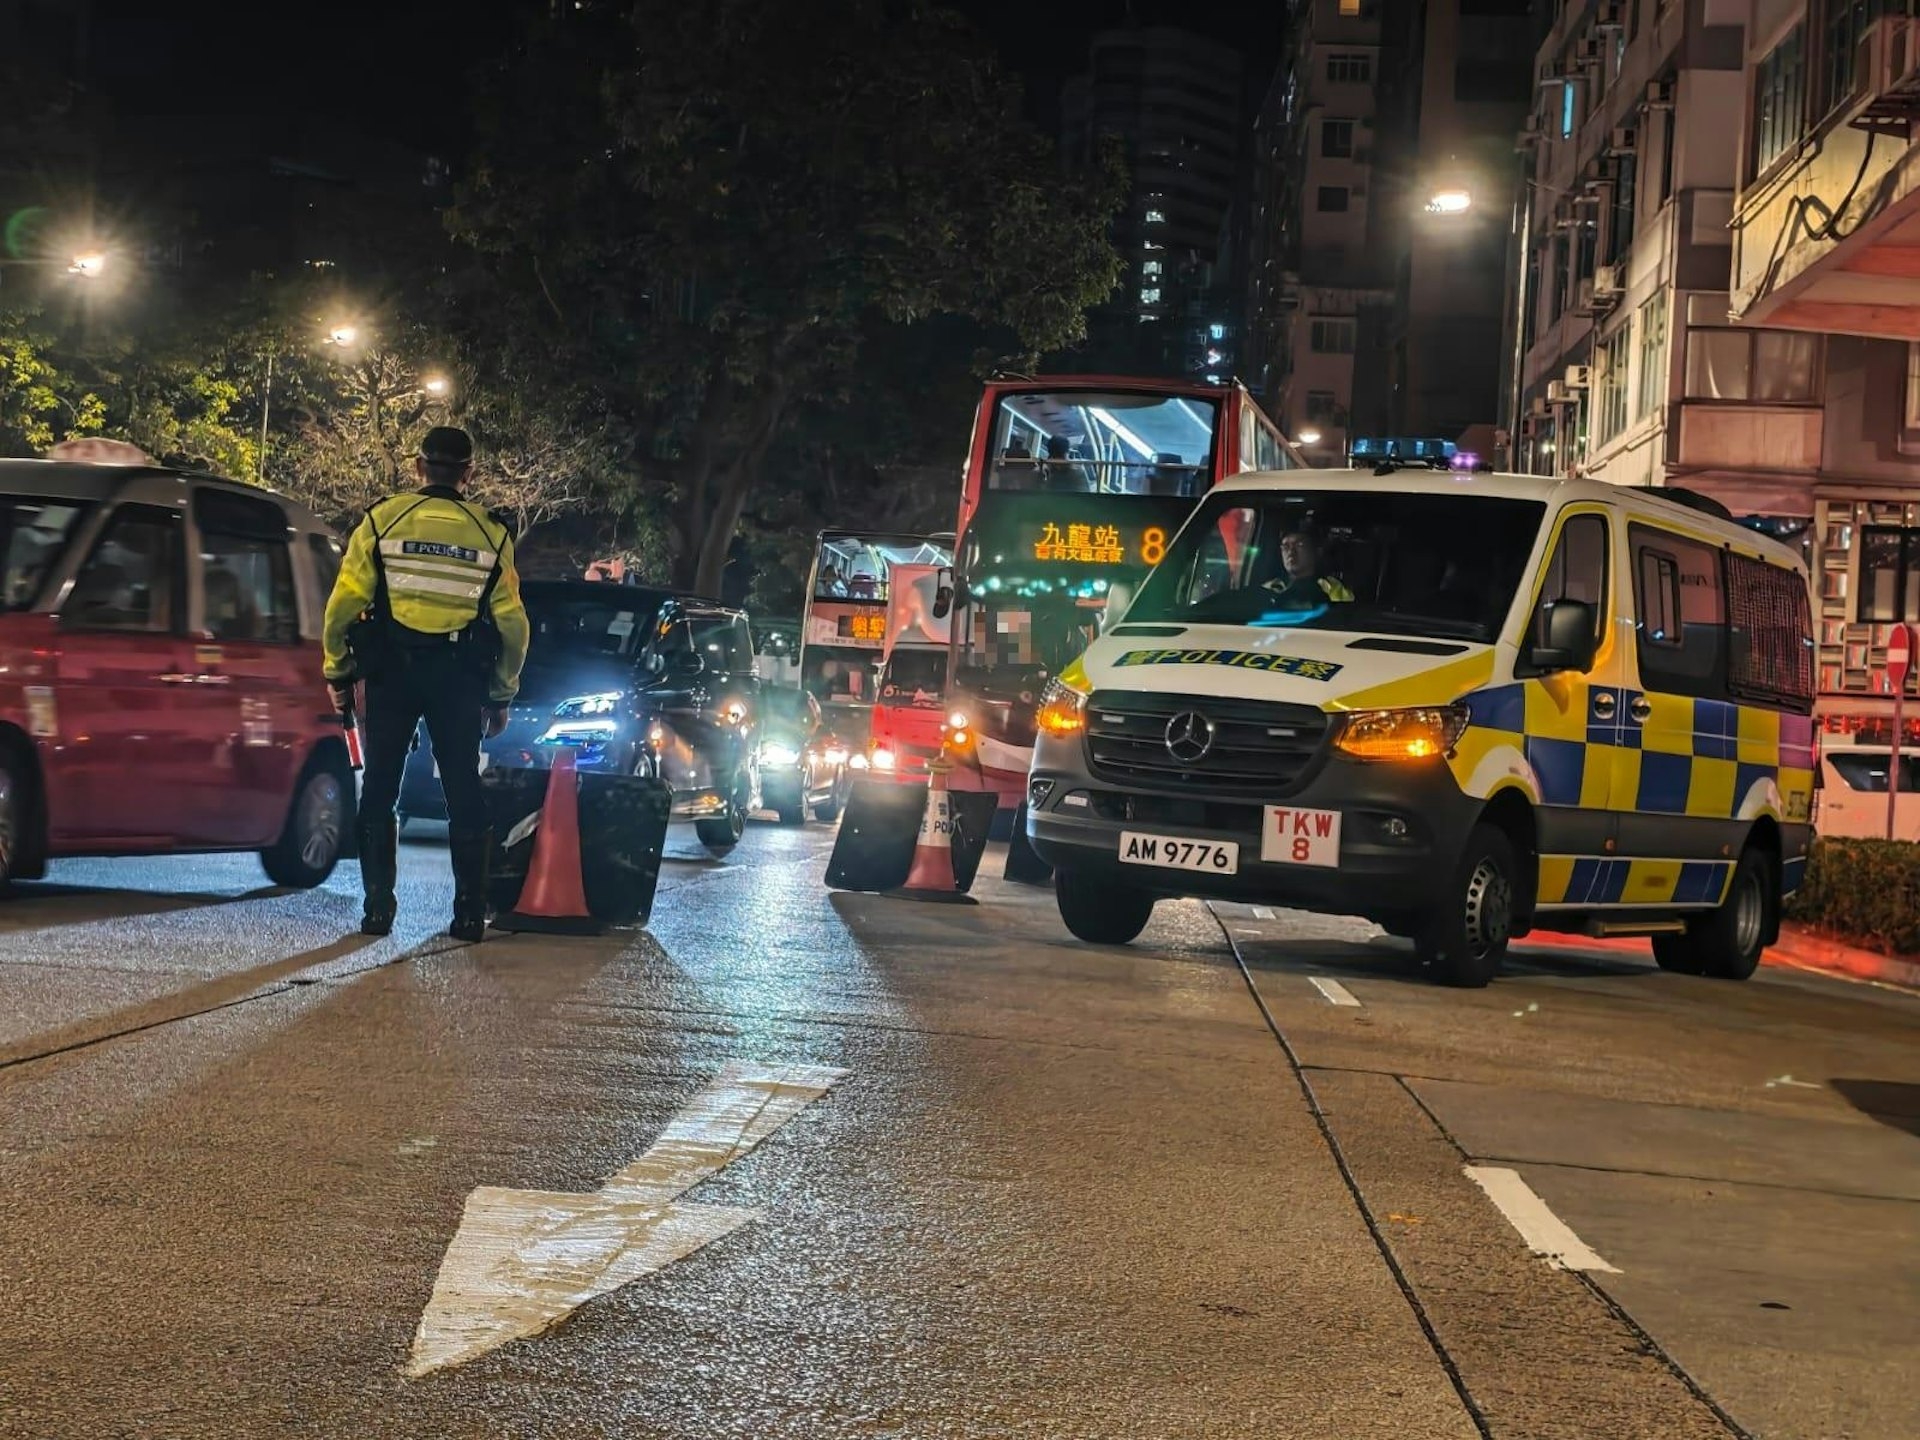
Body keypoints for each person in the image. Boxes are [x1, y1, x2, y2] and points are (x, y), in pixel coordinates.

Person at [322, 427, 531, 942]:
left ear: (419, 467)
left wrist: (337, 671)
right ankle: (467, 915)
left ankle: (377, 911)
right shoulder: (491, 534)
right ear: (469, 473)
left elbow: (342, 607)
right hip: (458, 678)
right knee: (463, 789)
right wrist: (501, 693)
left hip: (391, 672)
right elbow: (514, 626)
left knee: (380, 787)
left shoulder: (381, 520)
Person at [1271, 528, 1355, 604]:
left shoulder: (1333, 588)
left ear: (1316, 551)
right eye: (1285, 546)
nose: (1290, 552)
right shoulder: (1272, 587)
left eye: (1299, 545)